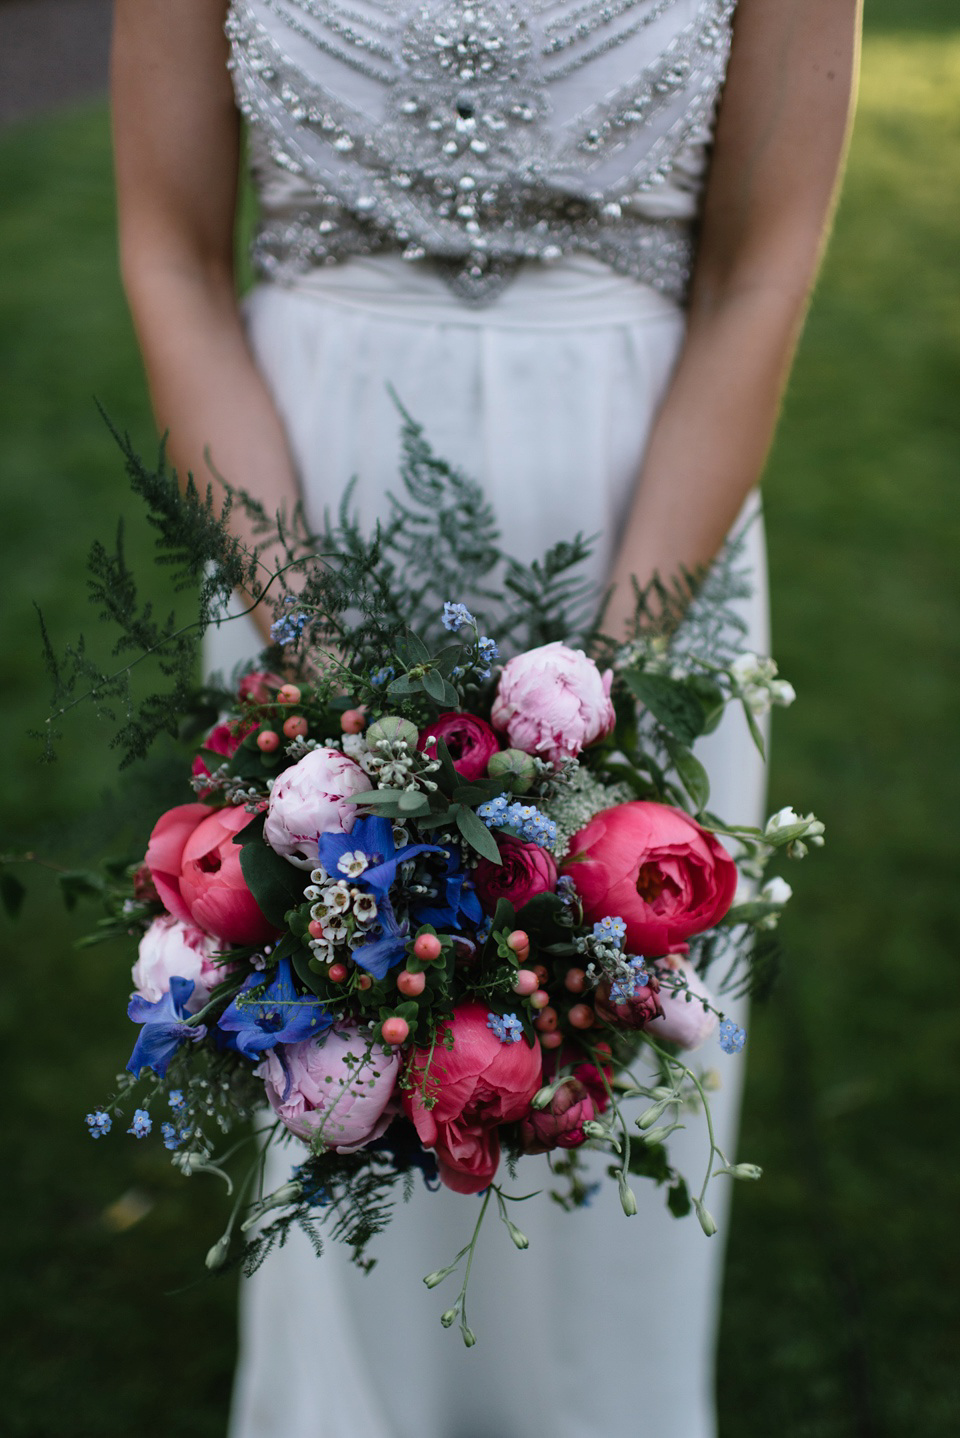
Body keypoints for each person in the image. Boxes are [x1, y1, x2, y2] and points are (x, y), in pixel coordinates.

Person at [111, 2, 861, 1434]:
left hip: (645, 512)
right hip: (302, 515)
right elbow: (170, 247)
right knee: (330, 1038)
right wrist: (313, 665)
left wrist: (597, 708)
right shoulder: (301, 608)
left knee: (616, 1056)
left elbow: (762, 270)